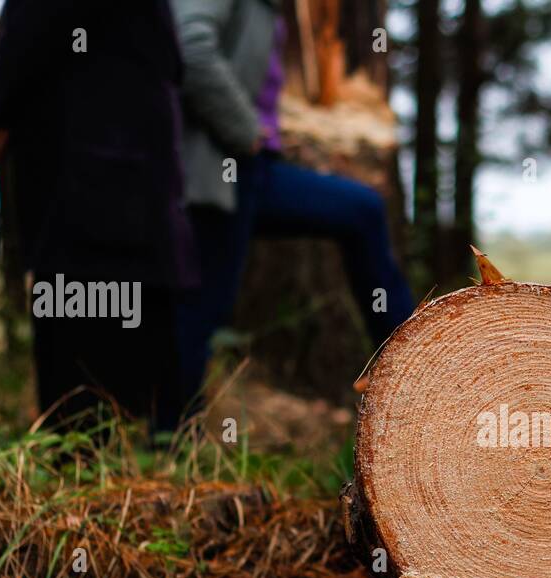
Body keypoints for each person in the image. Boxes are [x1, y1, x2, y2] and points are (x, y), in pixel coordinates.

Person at [0, 0, 196, 436]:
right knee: (157, 407)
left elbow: (25, 44)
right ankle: (157, 457)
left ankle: (94, 467)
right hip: (146, 193)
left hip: (84, 203)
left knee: (79, 409)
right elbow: (174, 63)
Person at [171, 0, 414, 415]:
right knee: (205, 301)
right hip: (219, 169)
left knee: (361, 210)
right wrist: (245, 130)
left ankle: (413, 367)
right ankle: (169, 434)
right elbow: (190, 48)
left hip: (254, 170)